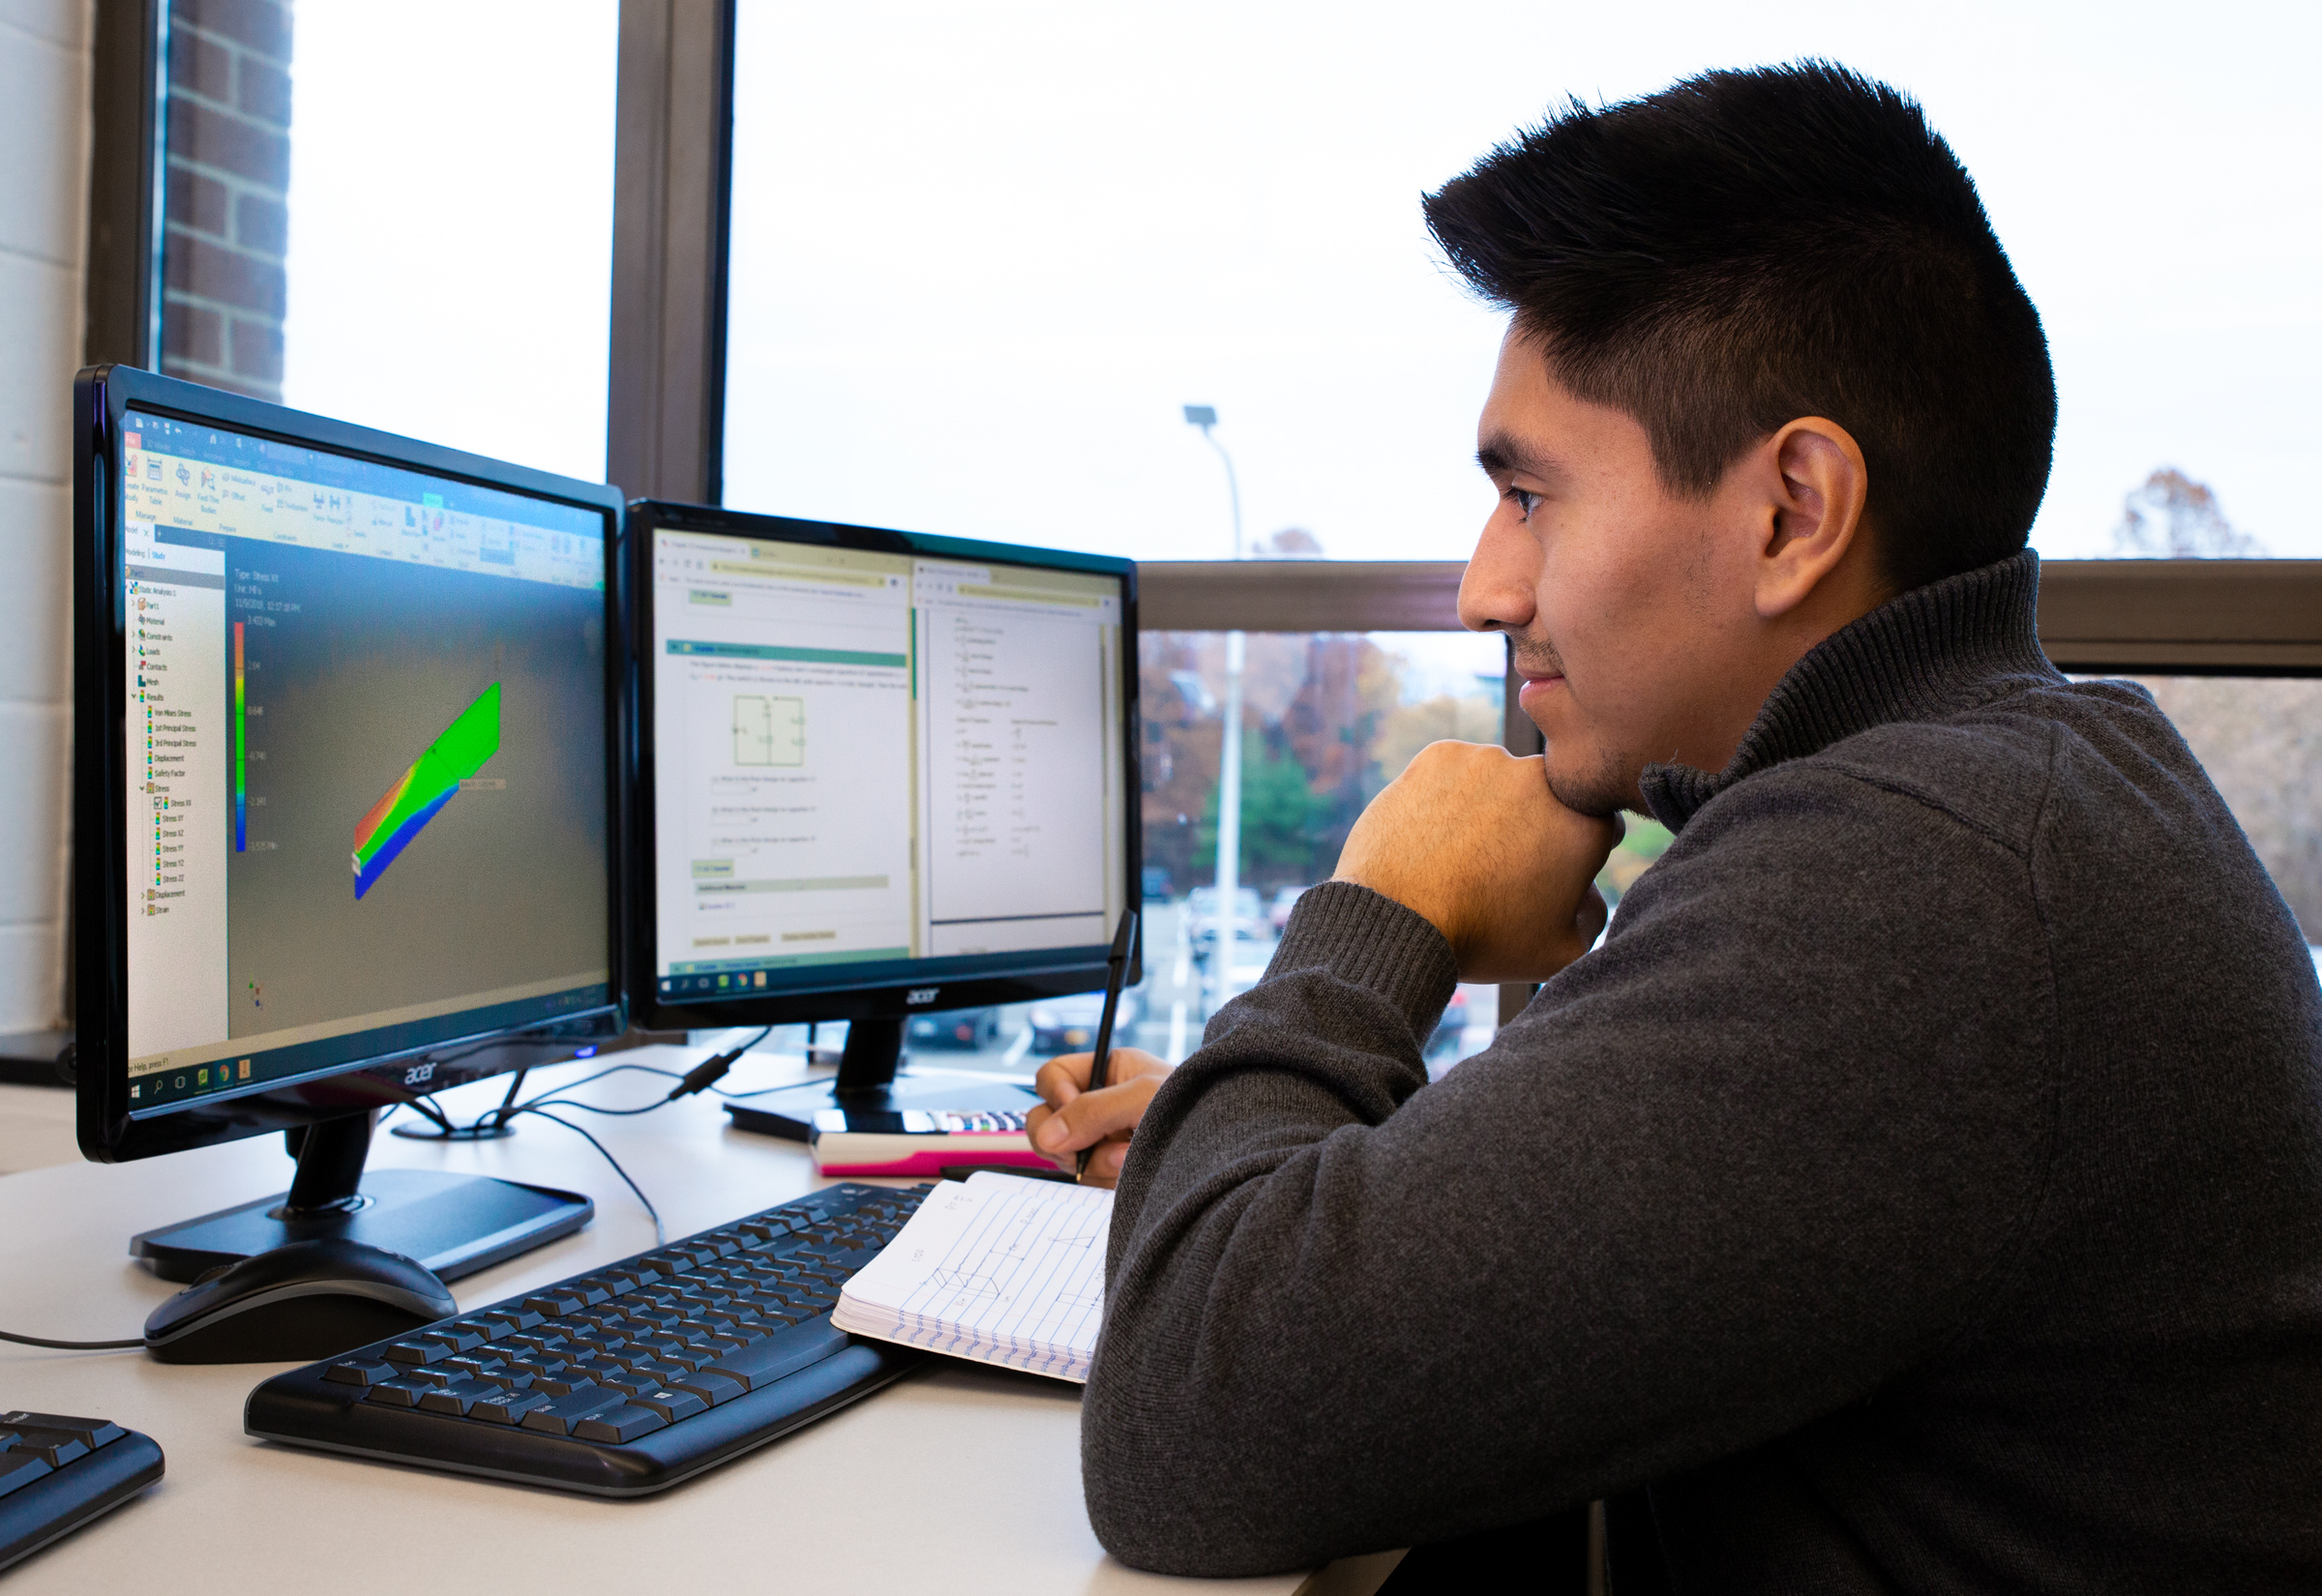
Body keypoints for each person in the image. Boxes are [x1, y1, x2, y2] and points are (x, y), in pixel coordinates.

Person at [1026, 61, 2322, 1592]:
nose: (1484, 589)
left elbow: (1184, 1437)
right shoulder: (2020, 785)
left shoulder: (1917, 884)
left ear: (1791, 512)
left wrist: (1385, 910)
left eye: (1530, 497)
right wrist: (1286, 1147)